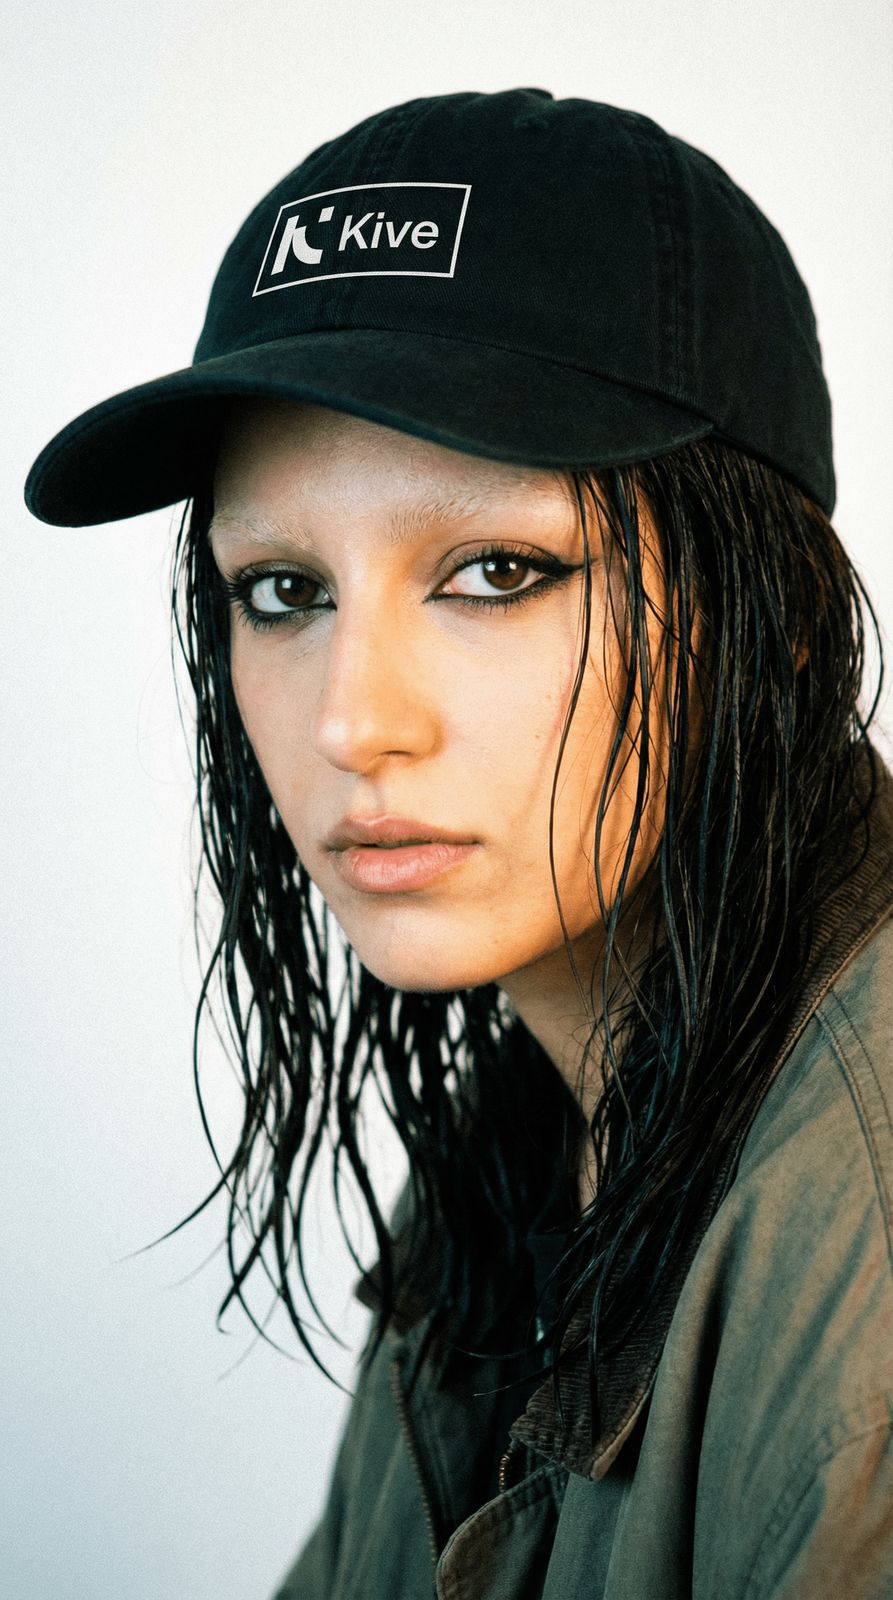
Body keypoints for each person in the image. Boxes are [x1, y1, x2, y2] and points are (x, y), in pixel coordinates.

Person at [25, 88, 893, 1599]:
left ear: (780, 624)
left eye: (496, 571)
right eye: (284, 592)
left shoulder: (860, 1253)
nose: (353, 721)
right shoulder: (528, 1146)